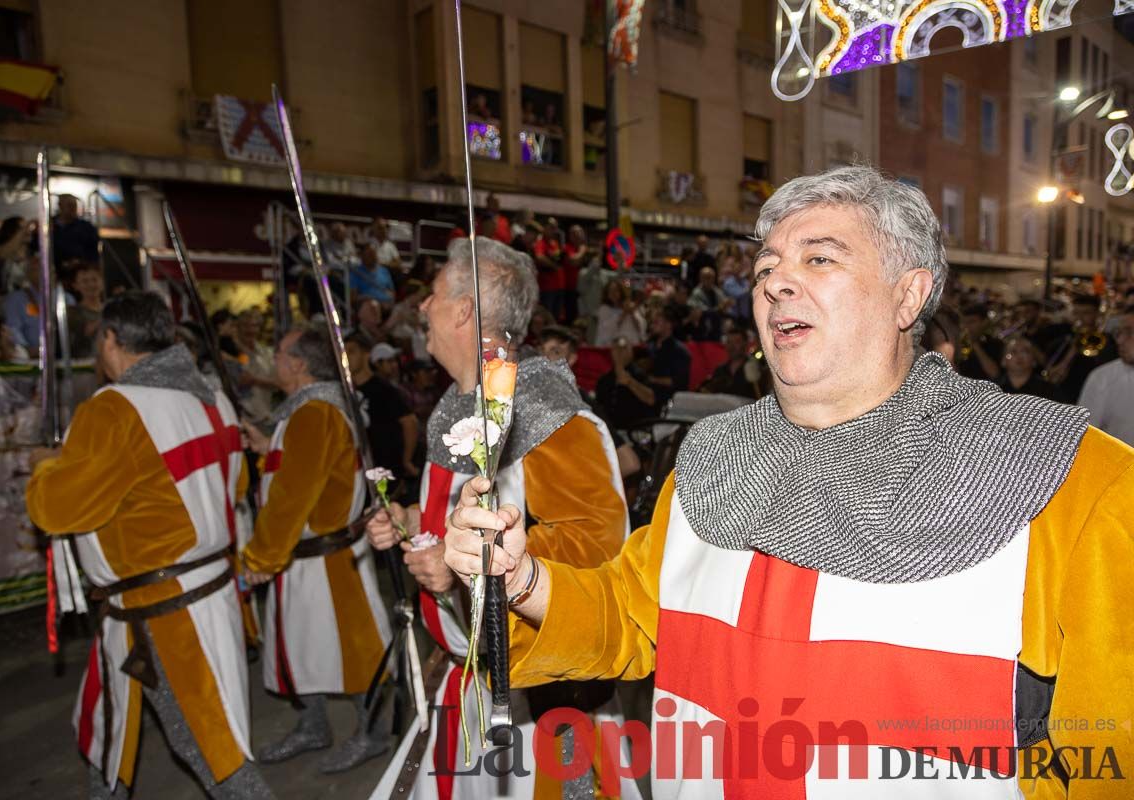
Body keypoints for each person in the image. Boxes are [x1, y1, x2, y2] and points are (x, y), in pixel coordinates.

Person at [443, 166, 1134, 797]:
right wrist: (526, 580)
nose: (774, 281)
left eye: (819, 258)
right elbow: (632, 617)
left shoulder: (1068, 479)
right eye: (767, 263)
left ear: (909, 295)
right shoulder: (714, 458)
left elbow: (1111, 758)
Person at [365, 237, 638, 799]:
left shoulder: (547, 415)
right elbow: (480, 510)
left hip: (539, 700)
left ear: (465, 309)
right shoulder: (459, 401)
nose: (421, 308)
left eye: (433, 295)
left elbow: (598, 546)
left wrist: (471, 566)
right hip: (468, 676)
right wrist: (413, 520)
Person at [25, 291, 273, 799]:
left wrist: (45, 467)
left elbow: (57, 510)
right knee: (114, 730)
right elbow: (236, 489)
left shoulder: (113, 410)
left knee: (215, 753)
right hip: (207, 594)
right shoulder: (213, 397)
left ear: (112, 339)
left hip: (162, 614)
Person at [239, 327, 390, 772]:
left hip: (325, 558)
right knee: (299, 646)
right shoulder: (309, 410)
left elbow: (292, 496)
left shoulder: (315, 413)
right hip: (304, 556)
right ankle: (313, 725)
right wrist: (269, 447)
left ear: (300, 365)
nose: (276, 361)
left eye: (281, 354)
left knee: (352, 648)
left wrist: (260, 558)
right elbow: (307, 471)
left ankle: (372, 732)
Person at [346, 333, 419, 481]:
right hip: (363, 471)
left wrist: (406, 460)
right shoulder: (346, 392)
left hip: (387, 471)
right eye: (344, 352)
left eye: (351, 351)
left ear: (366, 354)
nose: (346, 357)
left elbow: (409, 422)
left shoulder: (383, 389)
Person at [1045, 294, 1118, 403]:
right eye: (1076, 313)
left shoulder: (1107, 340)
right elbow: (1053, 379)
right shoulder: (1061, 343)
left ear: (1097, 315)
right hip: (1066, 400)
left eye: (1086, 313)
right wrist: (1073, 350)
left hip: (1099, 397)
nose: (1080, 318)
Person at [1078, 311, 1134, 446]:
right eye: (1118, 333)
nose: (1119, 341)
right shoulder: (1102, 377)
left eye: (1129, 332)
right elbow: (1085, 433)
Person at [233, 308, 276, 422]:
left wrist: (254, 380)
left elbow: (278, 383)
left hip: (265, 416)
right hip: (240, 419)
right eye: (245, 325)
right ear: (238, 327)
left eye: (254, 326)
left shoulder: (267, 353)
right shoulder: (229, 353)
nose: (250, 330)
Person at [700, 327, 762, 399]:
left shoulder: (755, 368)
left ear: (745, 344)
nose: (732, 346)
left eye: (737, 342)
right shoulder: (720, 370)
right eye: (729, 342)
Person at [67, 261, 105, 358]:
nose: (91, 285)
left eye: (94, 279)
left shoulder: (110, 308)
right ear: (75, 286)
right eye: (85, 281)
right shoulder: (71, 312)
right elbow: (80, 336)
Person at [956, 303, 1003, 381]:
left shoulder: (996, 344)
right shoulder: (958, 342)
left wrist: (975, 344)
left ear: (984, 322)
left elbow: (995, 374)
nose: (967, 326)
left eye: (972, 322)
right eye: (964, 322)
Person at [51, 195, 100, 269]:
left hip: (79, 271)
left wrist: (81, 262)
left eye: (75, 205)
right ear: (60, 206)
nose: (73, 209)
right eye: (69, 205)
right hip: (53, 269)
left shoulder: (86, 227)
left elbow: (93, 251)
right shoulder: (48, 225)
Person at [594, 279, 646, 346]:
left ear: (621, 292)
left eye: (616, 290)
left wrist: (631, 313)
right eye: (610, 291)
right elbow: (605, 330)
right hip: (613, 346)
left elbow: (641, 327)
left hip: (631, 345)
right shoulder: (604, 309)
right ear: (607, 294)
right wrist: (624, 313)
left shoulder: (630, 306)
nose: (613, 293)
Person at [349, 243, 396, 308]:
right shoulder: (355, 273)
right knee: (373, 305)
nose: (373, 257)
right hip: (369, 305)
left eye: (373, 254)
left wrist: (391, 302)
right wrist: (368, 298)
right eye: (369, 254)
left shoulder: (384, 271)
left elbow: (392, 291)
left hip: (388, 303)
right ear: (362, 257)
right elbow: (353, 298)